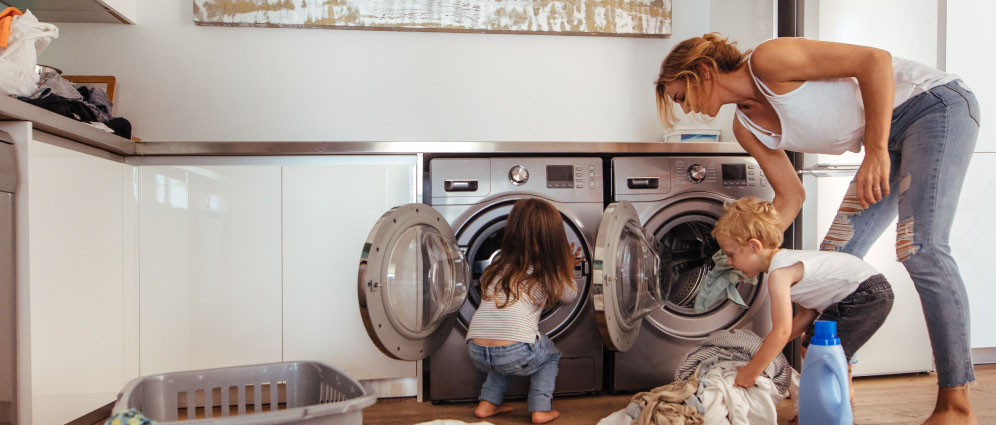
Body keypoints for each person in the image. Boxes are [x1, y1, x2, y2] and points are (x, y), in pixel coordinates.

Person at [655, 33, 980, 425]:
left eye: (680, 96)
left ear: (703, 73)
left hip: (932, 107)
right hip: (888, 135)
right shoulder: (745, 128)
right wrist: (746, 250)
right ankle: (834, 390)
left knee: (920, 249)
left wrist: (875, 151)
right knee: (829, 265)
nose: (685, 109)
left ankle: (956, 404)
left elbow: (874, 61)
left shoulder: (768, 61)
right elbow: (791, 196)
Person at [714, 197, 893, 402]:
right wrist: (761, 349)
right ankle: (833, 397)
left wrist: (751, 372)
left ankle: (829, 401)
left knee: (819, 348)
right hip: (867, 290)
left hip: (863, 294)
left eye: (730, 254)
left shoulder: (779, 274)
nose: (728, 262)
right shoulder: (786, 262)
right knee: (815, 345)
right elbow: (807, 315)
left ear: (754, 247)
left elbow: (781, 332)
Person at [465, 198, 582, 424]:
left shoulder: (498, 267)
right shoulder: (546, 272)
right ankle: (540, 409)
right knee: (550, 355)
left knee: (503, 344)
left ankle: (486, 405)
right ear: (554, 240)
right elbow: (569, 296)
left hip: (476, 349)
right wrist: (566, 268)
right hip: (514, 351)